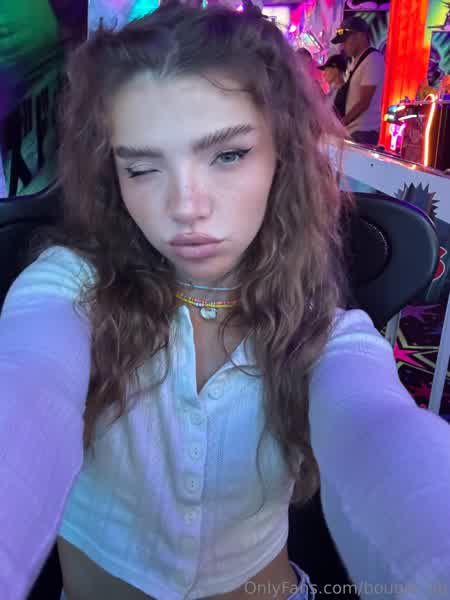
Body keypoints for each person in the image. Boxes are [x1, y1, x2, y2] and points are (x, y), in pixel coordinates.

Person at [1, 5, 450, 600]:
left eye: (228, 155)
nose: (186, 206)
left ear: (281, 155)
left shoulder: (319, 328)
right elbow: (26, 391)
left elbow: (378, 430)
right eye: (143, 168)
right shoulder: (71, 287)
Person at [331, 16, 385, 145]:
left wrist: (340, 124)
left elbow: (364, 102)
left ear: (360, 36)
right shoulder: (357, 61)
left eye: (345, 40)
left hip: (363, 133)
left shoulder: (373, 59)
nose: (342, 46)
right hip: (354, 132)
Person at [318, 53, 347, 118]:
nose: (324, 74)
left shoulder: (344, 91)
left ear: (336, 70)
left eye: (326, 70)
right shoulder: (333, 90)